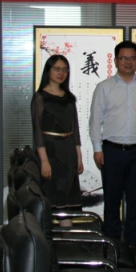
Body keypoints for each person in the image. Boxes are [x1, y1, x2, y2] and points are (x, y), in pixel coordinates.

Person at [89, 41, 136, 256]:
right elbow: (95, 120)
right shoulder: (104, 87)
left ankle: (133, 243)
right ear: (116, 60)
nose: (128, 62)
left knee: (135, 200)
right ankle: (112, 244)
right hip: (111, 151)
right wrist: (97, 149)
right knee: (112, 200)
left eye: (132, 58)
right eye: (124, 58)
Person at [31, 55, 83, 225]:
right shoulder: (40, 97)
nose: (61, 73)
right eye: (57, 69)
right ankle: (48, 237)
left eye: (65, 69)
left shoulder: (69, 97)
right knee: (52, 196)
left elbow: (75, 129)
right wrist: (44, 161)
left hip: (68, 151)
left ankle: (67, 233)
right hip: (50, 151)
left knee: (68, 198)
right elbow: (37, 131)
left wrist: (78, 156)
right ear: (48, 71)